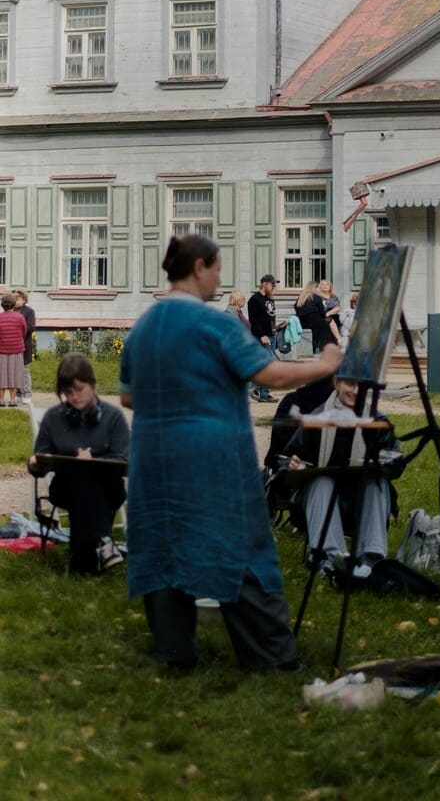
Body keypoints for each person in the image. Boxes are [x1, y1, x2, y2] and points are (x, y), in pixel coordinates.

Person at [119, 234, 342, 671]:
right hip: (212, 459)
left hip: (154, 462)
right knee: (238, 549)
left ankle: (175, 653)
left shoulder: (144, 326)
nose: (219, 278)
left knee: (165, 550)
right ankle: (271, 657)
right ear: (199, 267)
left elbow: (129, 398)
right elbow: (271, 373)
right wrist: (328, 363)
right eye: (217, 268)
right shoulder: (214, 323)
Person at [281, 377, 403, 579]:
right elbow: (285, 461)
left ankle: (371, 556)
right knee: (322, 482)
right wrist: (294, 464)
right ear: (337, 384)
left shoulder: (377, 421)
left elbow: (396, 463)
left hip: (360, 495)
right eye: (349, 384)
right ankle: (330, 557)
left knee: (376, 483)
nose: (355, 391)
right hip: (321, 497)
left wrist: (386, 463)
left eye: (360, 386)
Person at [28, 353, 129, 574]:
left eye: (79, 389)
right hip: (66, 488)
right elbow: (40, 457)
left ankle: (83, 559)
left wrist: (95, 462)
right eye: (68, 393)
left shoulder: (113, 418)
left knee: (89, 479)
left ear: (93, 384)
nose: (74, 397)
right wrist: (35, 463)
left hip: (109, 488)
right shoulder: (54, 418)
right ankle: (103, 542)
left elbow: (124, 460)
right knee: (81, 478)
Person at [247, 274, 283, 404]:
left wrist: (275, 329)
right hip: (261, 337)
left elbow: (271, 317)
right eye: (272, 285)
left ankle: (262, 392)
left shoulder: (270, 299)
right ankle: (255, 389)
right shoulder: (254, 300)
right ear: (265, 284)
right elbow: (254, 321)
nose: (274, 287)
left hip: (271, 335)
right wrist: (261, 335)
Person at [0, 293, 27, 408]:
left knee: (1, 375)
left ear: (2, 305)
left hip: (1, 350)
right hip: (16, 350)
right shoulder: (20, 317)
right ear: (14, 305)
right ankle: (12, 401)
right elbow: (24, 332)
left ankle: (1, 400)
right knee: (15, 374)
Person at [295, 281, 336, 353]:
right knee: (328, 324)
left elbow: (296, 308)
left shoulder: (301, 297)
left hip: (302, 323)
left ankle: (317, 347)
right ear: (314, 288)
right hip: (314, 323)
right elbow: (323, 313)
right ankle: (326, 349)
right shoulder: (316, 297)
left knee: (323, 324)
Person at [13, 288, 36, 404]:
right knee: (15, 370)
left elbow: (31, 327)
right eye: (14, 299)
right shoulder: (10, 311)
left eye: (17, 299)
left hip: (24, 344)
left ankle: (27, 394)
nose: (15, 301)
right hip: (11, 345)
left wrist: (17, 330)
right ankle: (18, 393)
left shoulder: (29, 311)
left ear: (24, 299)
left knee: (24, 370)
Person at [317, 279, 342, 344]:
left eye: (327, 284)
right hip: (321, 316)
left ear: (330, 286)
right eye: (323, 285)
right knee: (329, 320)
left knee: (341, 319)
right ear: (320, 287)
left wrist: (328, 313)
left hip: (331, 315)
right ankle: (339, 339)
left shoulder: (333, 296)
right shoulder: (318, 297)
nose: (325, 286)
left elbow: (338, 308)